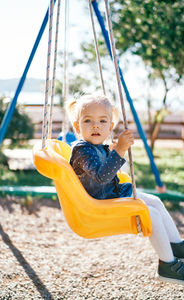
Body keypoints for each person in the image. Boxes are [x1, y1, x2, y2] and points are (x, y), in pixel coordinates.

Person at [66, 93, 184, 285]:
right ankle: (167, 265)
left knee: (155, 201)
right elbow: (102, 176)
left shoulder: (97, 147)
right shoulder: (82, 150)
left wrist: (112, 152)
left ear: (110, 127)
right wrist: (119, 151)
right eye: (88, 121)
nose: (96, 125)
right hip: (98, 203)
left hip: (111, 194)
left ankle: (176, 246)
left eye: (102, 121)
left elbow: (107, 174)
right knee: (150, 213)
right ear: (78, 127)